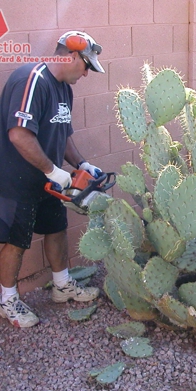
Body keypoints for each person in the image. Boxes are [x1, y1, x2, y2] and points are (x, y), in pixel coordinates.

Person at [0, 31, 105, 328]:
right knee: (15, 241)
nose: (86, 73)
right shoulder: (32, 80)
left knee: (56, 229)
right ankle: (7, 301)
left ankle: (62, 285)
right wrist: (52, 170)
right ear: (71, 56)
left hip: (49, 179)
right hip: (16, 179)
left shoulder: (64, 88)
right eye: (86, 66)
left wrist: (81, 163)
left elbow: (63, 133)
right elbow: (19, 134)